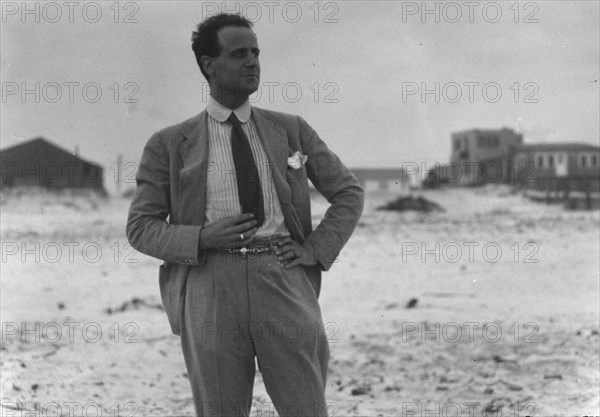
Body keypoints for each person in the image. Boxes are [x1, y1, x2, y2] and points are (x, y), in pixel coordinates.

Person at [126, 13, 364, 417]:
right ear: (208, 65)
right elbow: (140, 227)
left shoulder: (290, 130)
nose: (253, 62)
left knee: (306, 408)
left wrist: (315, 249)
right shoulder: (169, 144)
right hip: (210, 286)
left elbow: (348, 192)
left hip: (284, 280)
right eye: (239, 54)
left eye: (256, 52)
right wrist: (201, 238)